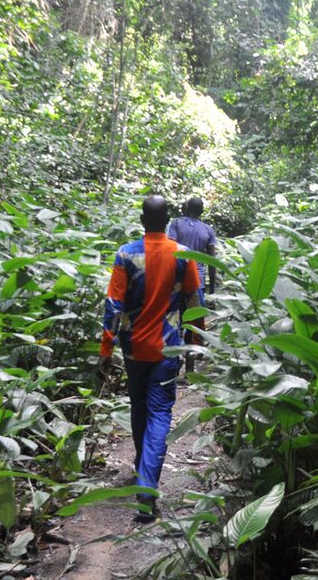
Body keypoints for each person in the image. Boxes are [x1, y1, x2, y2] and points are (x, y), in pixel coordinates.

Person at [99, 195, 201, 523]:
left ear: (143, 220)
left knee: (140, 407)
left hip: (133, 349)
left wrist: (105, 349)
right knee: (159, 414)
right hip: (167, 349)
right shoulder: (183, 254)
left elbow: (113, 305)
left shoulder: (126, 254)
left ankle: (144, 474)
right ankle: (147, 488)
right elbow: (193, 300)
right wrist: (195, 344)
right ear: (167, 220)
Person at [167, 197, 217, 374]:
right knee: (192, 323)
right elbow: (211, 260)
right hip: (198, 282)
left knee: (173, 321)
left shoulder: (175, 224)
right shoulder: (207, 230)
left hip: (176, 281)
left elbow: (169, 249)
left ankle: (173, 364)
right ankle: (189, 369)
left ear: (185, 208)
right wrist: (212, 288)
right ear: (202, 211)